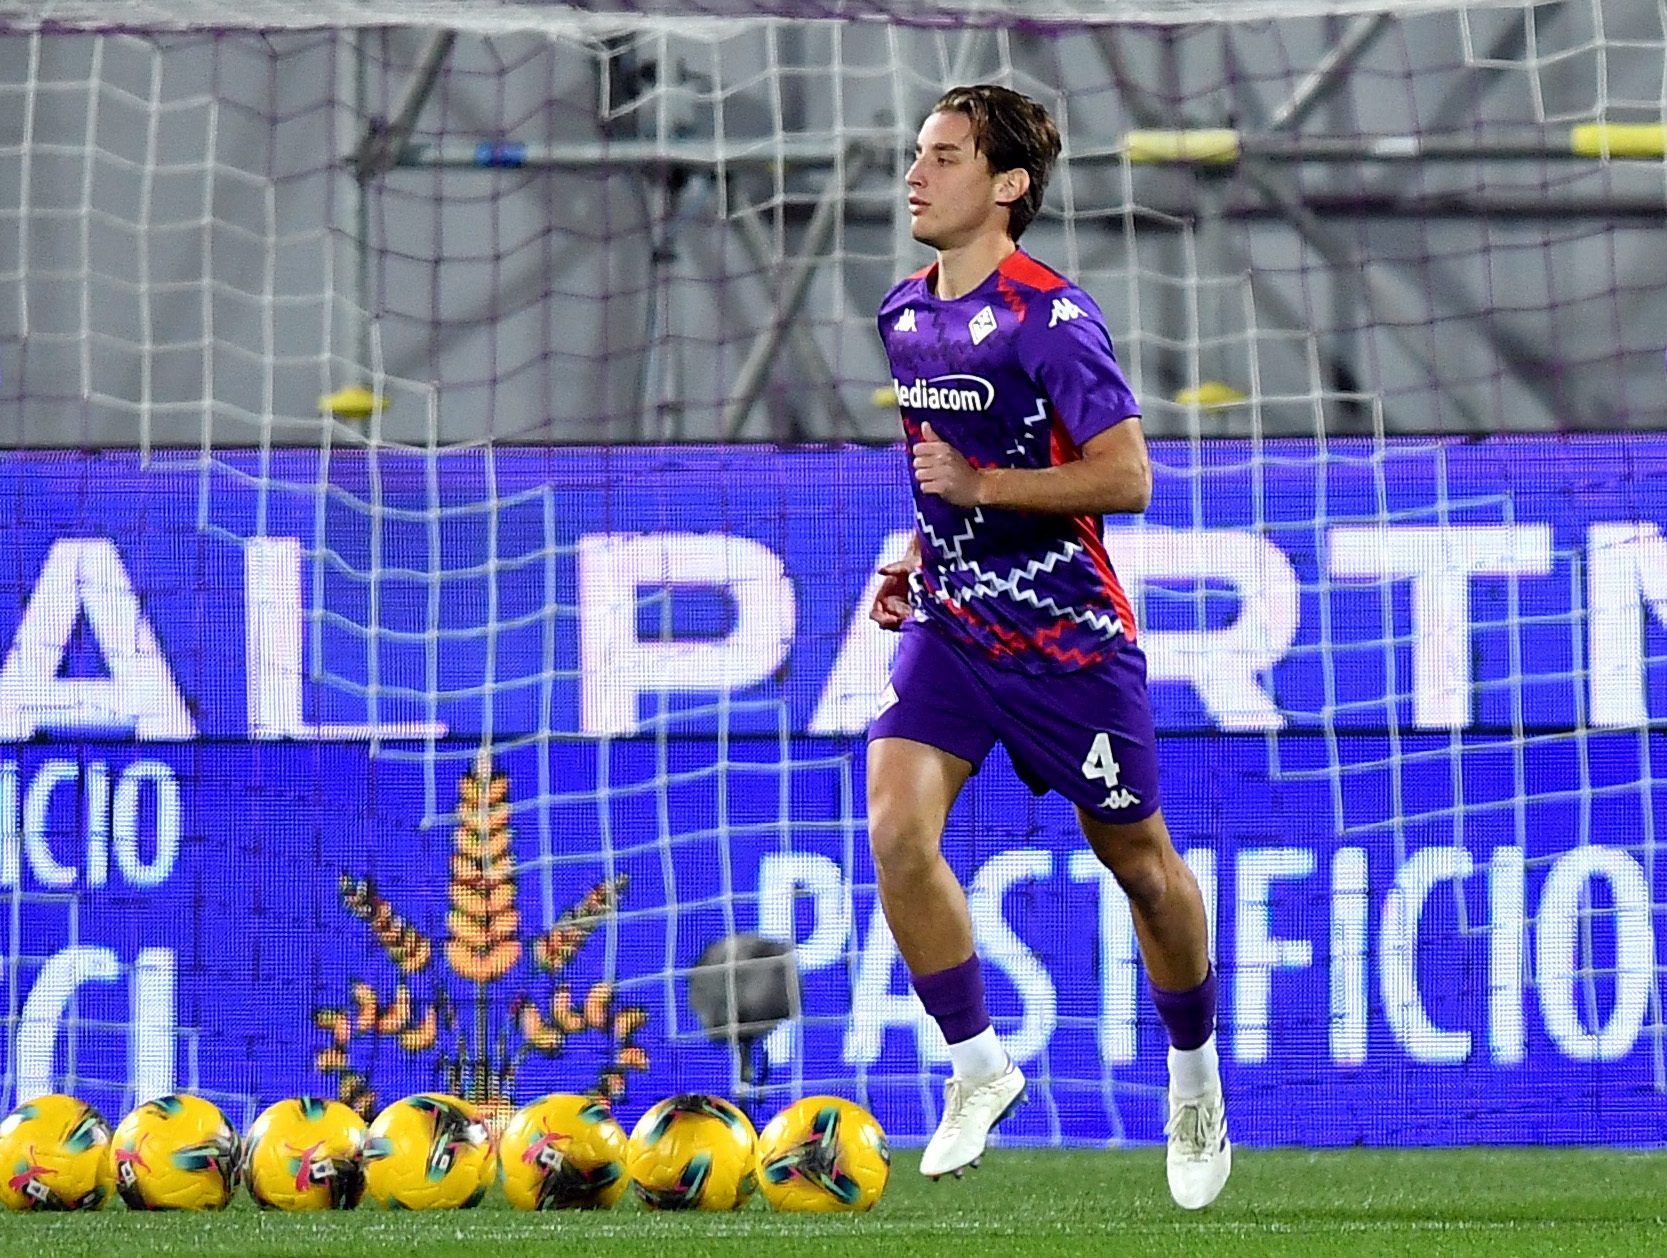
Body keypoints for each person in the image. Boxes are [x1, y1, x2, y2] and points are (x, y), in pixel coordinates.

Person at [867, 84, 1229, 1210]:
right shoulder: (902, 313)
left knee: (1141, 869)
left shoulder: (1049, 316)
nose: (915, 173)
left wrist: (985, 486)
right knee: (893, 824)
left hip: (1066, 639)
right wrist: (919, 554)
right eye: (916, 153)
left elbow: (1126, 475)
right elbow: (941, 475)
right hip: (955, 624)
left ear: (1007, 185)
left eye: (943, 156)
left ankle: (1193, 1078)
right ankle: (976, 1068)